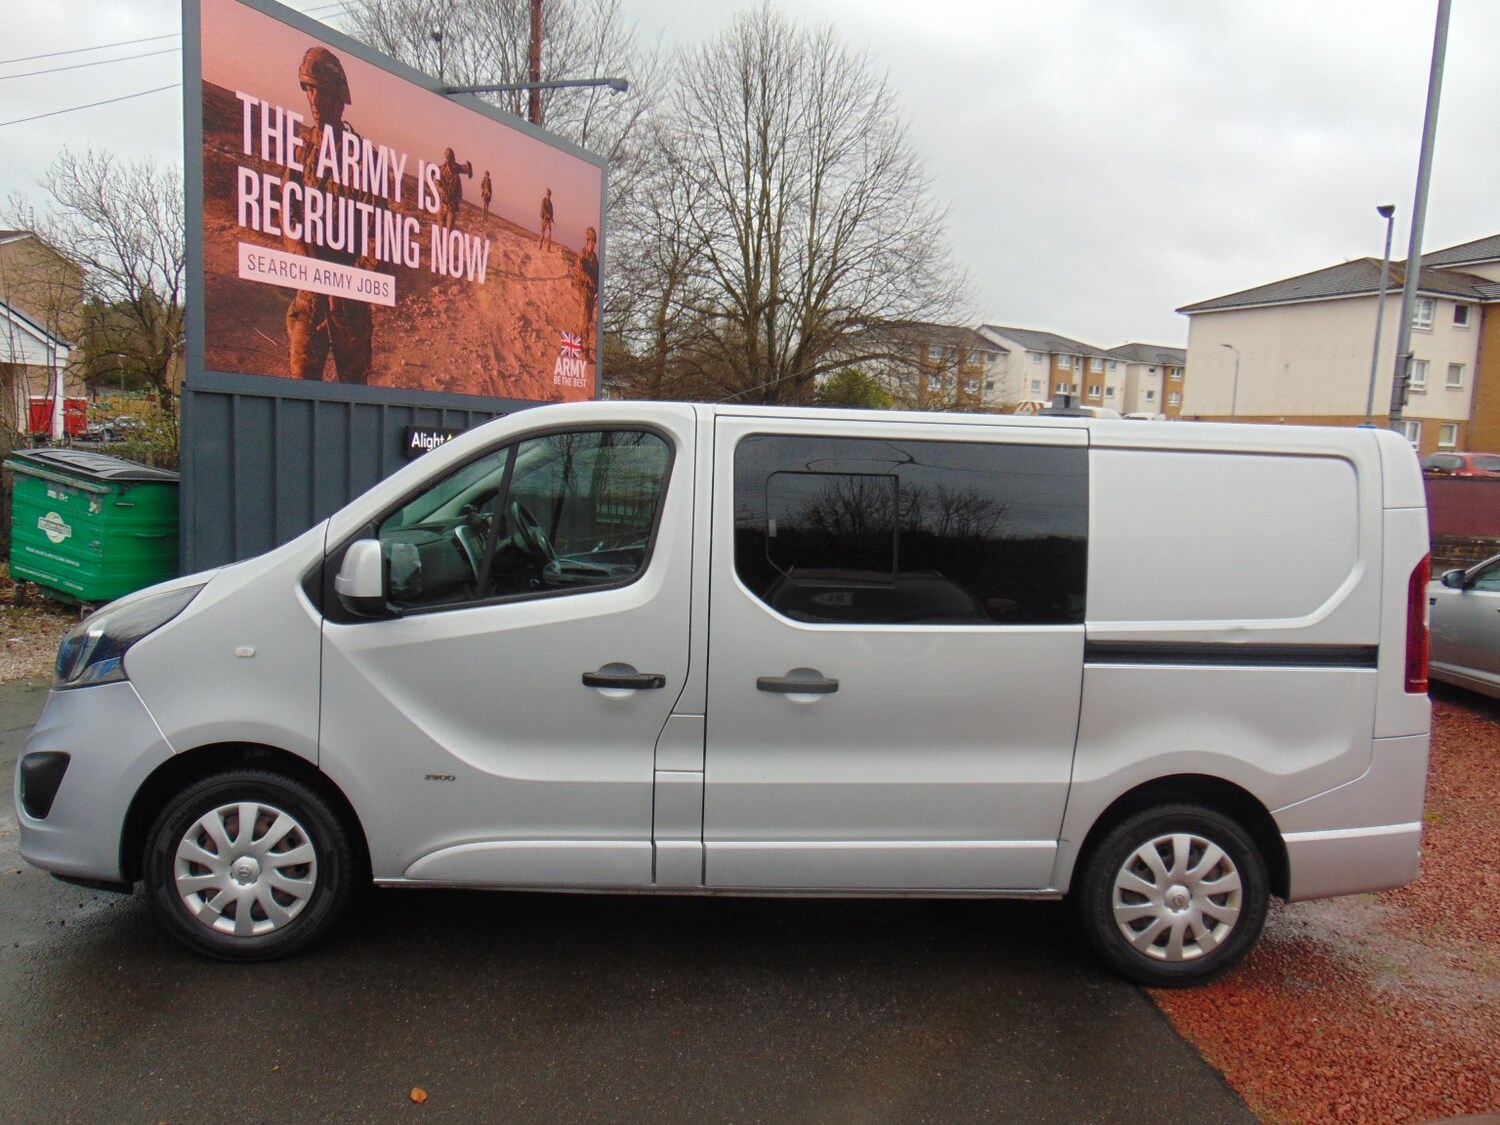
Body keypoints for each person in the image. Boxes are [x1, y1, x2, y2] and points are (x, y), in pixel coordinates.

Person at [284, 46, 373, 384]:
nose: (314, 100)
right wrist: (305, 261)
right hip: (310, 291)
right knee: (301, 384)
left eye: (321, 91)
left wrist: (348, 283)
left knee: (355, 388)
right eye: (309, 90)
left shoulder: (364, 160)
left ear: (339, 99)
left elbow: (378, 237)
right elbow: (289, 214)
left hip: (349, 297)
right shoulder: (300, 150)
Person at [574, 225, 598, 355]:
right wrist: (587, 277)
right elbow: (578, 271)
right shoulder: (582, 254)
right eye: (591, 241)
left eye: (594, 242)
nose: (593, 244)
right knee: (584, 321)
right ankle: (585, 350)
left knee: (587, 321)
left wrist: (597, 288)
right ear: (587, 241)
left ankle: (580, 343)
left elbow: (597, 275)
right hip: (583, 290)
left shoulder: (595, 258)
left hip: (591, 294)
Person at [437, 147, 473, 230]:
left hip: (452, 205)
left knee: (448, 227)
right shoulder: (443, 169)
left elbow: (456, 193)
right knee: (441, 225)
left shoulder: (455, 174)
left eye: (450, 157)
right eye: (448, 157)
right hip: (444, 203)